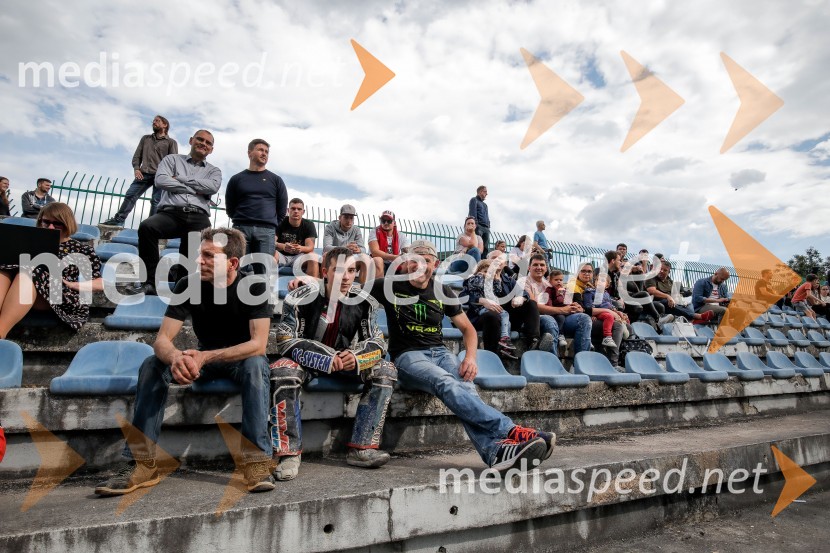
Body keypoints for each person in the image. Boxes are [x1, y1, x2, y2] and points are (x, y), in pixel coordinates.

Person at [94, 228, 275, 496]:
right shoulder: (187, 284)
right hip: (203, 359)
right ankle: (142, 463)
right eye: (199, 254)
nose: (199, 261)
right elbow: (162, 340)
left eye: (208, 256)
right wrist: (177, 358)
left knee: (256, 365)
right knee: (152, 365)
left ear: (233, 263)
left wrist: (205, 356)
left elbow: (257, 344)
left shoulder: (256, 286)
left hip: (239, 359)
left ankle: (256, 461)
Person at [370, 239, 553, 471]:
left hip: (439, 352)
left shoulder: (442, 290)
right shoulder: (387, 285)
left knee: (466, 385)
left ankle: (496, 452)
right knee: (445, 381)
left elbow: (468, 330)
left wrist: (470, 358)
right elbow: (348, 290)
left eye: (425, 261)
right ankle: (509, 430)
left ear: (434, 264)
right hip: (407, 356)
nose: (419, 266)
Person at [269, 247, 397, 480]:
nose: (346, 277)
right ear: (325, 272)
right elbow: (285, 340)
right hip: (307, 362)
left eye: (351, 271)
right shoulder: (300, 296)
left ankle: (362, 448)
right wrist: (328, 357)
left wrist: (356, 357)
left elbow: (378, 342)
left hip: (347, 362)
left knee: (386, 369)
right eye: (339, 271)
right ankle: (289, 453)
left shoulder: (366, 301)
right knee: (282, 369)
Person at [129, 130, 221, 296]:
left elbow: (212, 187)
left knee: (193, 246)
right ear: (191, 140)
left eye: (208, 143)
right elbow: (161, 180)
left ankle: (183, 288)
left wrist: (179, 178)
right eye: (200, 139)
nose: (203, 144)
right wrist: (195, 189)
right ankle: (150, 283)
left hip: (198, 216)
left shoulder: (214, 171)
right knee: (147, 227)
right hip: (170, 213)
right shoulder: (171, 159)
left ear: (211, 149)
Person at [0, 202, 103, 338]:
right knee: (4, 269)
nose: (50, 227)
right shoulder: (27, 242)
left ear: (67, 224)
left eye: (57, 223)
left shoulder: (82, 250)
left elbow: (100, 283)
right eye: (46, 222)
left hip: (60, 295)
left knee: (30, 270)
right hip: (22, 288)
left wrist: (74, 284)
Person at [225, 138, 288, 276]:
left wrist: (270, 225)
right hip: (241, 229)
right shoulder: (236, 179)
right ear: (249, 153)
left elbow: (282, 210)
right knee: (237, 269)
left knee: (263, 272)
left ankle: (262, 298)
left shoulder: (276, 180)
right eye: (260, 150)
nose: (264, 153)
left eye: (266, 151)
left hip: (267, 231)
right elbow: (230, 207)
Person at [102, 115, 178, 226]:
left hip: (161, 176)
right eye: (153, 121)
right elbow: (137, 155)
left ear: (165, 125)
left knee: (156, 201)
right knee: (130, 195)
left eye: (157, 121)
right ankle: (118, 220)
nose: (154, 122)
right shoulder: (145, 139)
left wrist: (171, 176)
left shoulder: (171, 142)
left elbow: (173, 161)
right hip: (144, 173)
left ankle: (152, 225)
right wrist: (136, 169)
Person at [462, 258, 543, 360]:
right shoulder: (474, 280)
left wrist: (520, 297)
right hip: (483, 316)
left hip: (507, 317)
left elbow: (523, 293)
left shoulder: (508, 280)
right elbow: (463, 297)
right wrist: (481, 300)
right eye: (495, 259)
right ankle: (493, 355)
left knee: (531, 303)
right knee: (492, 315)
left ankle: (533, 341)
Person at [569, 263, 627, 366]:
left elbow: (606, 303)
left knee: (626, 326)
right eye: (583, 271)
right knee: (617, 326)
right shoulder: (573, 285)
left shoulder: (591, 286)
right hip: (578, 319)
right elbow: (582, 309)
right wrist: (609, 312)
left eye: (589, 271)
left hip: (594, 317)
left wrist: (616, 312)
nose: (586, 273)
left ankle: (625, 360)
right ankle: (613, 363)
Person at [645, 260, 713, 325]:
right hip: (656, 302)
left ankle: (692, 320)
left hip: (671, 301)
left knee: (688, 304)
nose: (661, 271)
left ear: (668, 272)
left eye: (665, 270)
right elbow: (652, 291)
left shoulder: (669, 281)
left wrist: (681, 301)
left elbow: (675, 294)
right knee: (667, 302)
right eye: (660, 269)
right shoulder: (651, 277)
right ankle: (698, 317)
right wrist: (668, 296)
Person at [546, 270, 593, 356]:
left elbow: (568, 302)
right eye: (556, 280)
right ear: (550, 281)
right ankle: (560, 334)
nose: (559, 282)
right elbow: (550, 304)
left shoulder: (564, 290)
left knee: (585, 318)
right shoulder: (550, 290)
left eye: (560, 280)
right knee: (560, 318)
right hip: (556, 313)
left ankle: (582, 359)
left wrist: (574, 305)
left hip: (567, 312)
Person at [323, 204, 373, 284]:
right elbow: (326, 247)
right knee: (326, 254)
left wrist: (357, 249)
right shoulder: (330, 227)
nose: (349, 220)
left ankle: (363, 289)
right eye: (346, 217)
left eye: (351, 218)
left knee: (365, 258)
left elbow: (363, 249)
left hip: (350, 260)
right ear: (340, 217)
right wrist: (344, 248)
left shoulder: (356, 229)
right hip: (335, 259)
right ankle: (325, 287)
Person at [275, 198, 319, 278]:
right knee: (270, 253)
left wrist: (300, 248)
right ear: (288, 210)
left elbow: (310, 247)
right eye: (293, 208)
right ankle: (270, 287)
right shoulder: (280, 221)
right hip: (281, 255)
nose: (296, 211)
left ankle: (312, 287)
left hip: (298, 257)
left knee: (313, 256)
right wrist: (283, 246)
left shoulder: (309, 225)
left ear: (303, 212)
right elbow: (271, 242)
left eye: (299, 209)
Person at [368, 210, 409, 275]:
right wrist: (394, 257)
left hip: (395, 263)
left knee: (409, 263)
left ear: (394, 223)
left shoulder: (401, 235)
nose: (386, 223)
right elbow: (374, 252)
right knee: (378, 260)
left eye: (389, 221)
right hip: (381, 262)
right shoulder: (374, 231)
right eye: (383, 221)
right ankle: (379, 285)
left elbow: (407, 251)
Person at [467, 185, 490, 253]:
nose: (487, 193)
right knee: (477, 245)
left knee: (485, 248)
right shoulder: (474, 200)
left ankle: (483, 263)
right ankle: (476, 261)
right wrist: (475, 225)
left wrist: (488, 225)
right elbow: (472, 213)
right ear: (480, 192)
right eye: (485, 191)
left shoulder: (485, 205)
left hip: (486, 228)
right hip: (478, 226)